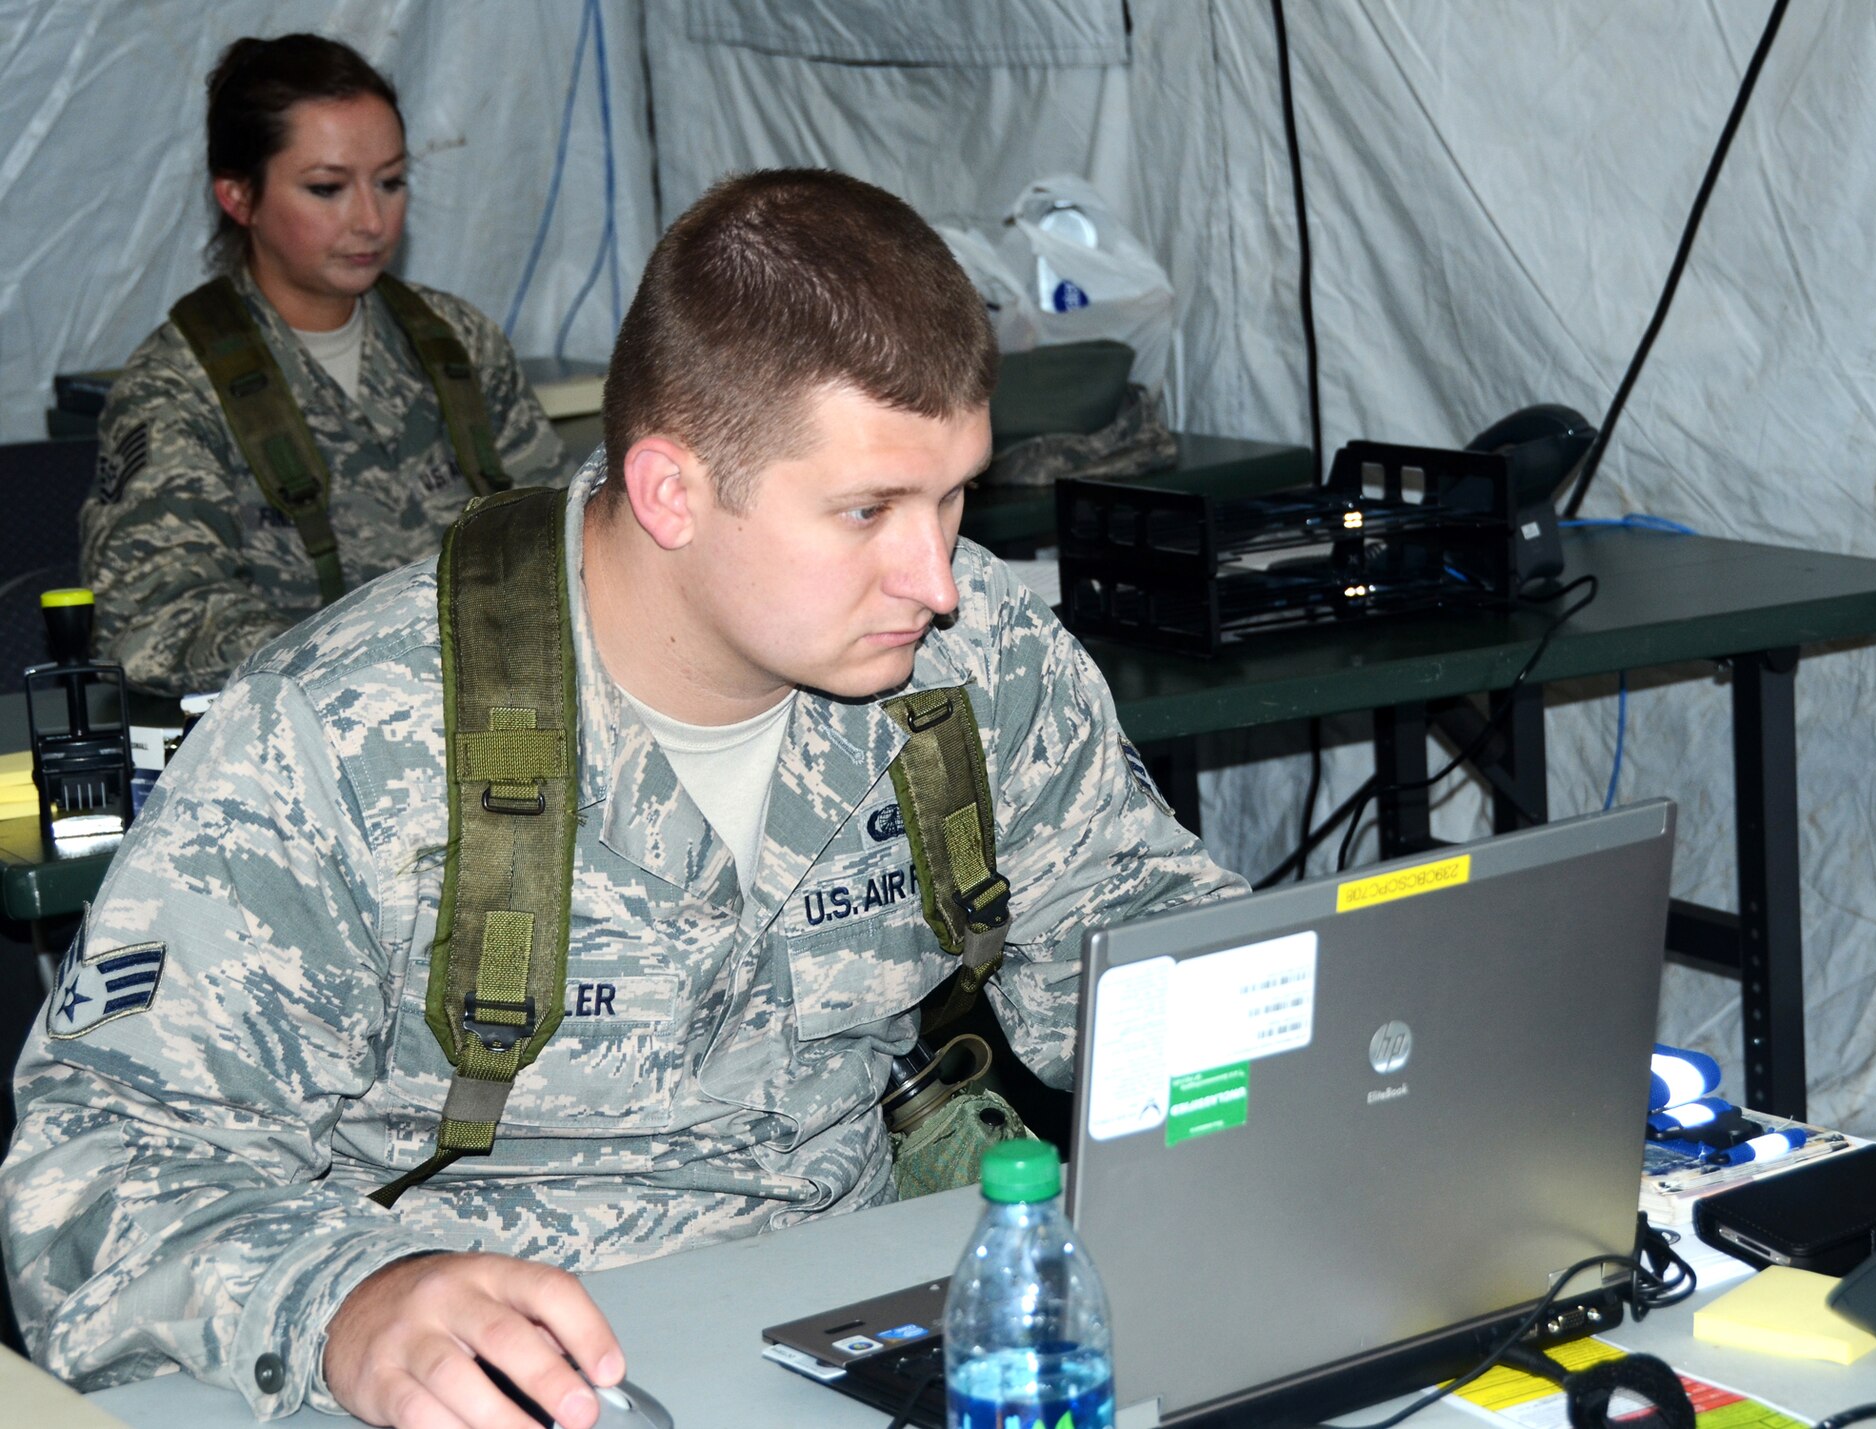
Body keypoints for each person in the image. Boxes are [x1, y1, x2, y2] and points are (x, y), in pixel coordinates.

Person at [3, 169, 1245, 1426]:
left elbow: (1145, 943)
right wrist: (348, 1302)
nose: (934, 576)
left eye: (953, 493)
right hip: (510, 1371)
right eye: (867, 509)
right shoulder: (347, 736)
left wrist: (1300, 1081)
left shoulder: (976, 667)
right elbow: (97, 1165)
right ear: (669, 492)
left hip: (854, 1324)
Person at [81, 33, 567, 696]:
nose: (371, 220)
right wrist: (376, 657)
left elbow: (564, 547)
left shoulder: (460, 346)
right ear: (238, 197)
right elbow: (156, 623)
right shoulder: (177, 390)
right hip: (299, 752)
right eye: (326, 188)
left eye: (391, 182)